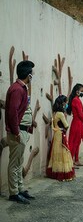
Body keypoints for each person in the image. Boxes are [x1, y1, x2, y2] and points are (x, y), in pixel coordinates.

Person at [5, 60, 36, 204]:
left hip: (22, 131)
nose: (32, 77)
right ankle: (13, 192)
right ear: (28, 75)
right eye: (32, 74)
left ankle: (20, 188)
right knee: (14, 163)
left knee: (19, 161)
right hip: (17, 132)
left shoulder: (21, 88)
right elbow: (12, 112)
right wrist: (16, 132)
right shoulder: (17, 89)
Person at [46, 95, 75, 181]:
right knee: (63, 153)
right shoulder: (61, 114)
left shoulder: (55, 113)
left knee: (56, 154)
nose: (67, 104)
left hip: (56, 135)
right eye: (66, 102)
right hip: (61, 134)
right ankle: (63, 173)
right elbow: (66, 125)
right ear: (63, 103)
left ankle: (55, 172)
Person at [67, 84, 83, 167]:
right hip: (77, 123)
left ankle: (76, 160)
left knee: (77, 142)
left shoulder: (77, 99)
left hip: (78, 123)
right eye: (82, 91)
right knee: (74, 142)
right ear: (77, 91)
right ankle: (71, 161)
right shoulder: (76, 100)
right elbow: (79, 113)